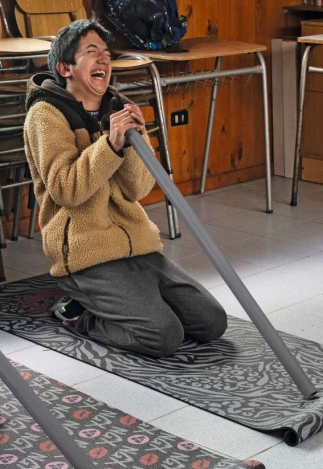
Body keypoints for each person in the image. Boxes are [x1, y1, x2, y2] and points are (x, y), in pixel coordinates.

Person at [24, 20, 227, 358]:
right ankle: (79, 314)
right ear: (65, 68)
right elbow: (66, 191)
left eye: (106, 53)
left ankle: (133, 300)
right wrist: (110, 146)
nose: (104, 60)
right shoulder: (46, 115)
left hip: (136, 244)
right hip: (86, 251)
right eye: (92, 53)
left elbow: (137, 188)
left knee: (211, 322)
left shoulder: (117, 108)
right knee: (163, 337)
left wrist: (134, 142)